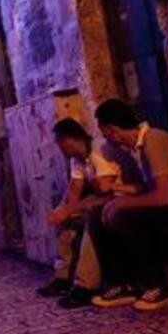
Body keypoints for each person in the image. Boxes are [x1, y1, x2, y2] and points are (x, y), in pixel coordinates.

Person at [88, 99, 168, 311]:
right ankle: (122, 284)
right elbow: (146, 188)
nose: (105, 138)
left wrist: (123, 204)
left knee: (123, 215)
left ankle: (157, 285)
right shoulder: (137, 148)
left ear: (112, 130)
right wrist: (115, 192)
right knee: (98, 213)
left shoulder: (153, 141)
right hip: (161, 207)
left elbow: (163, 196)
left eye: (104, 131)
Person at [37, 118, 132, 309]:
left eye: (62, 141)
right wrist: (62, 212)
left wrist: (68, 210)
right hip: (104, 201)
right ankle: (63, 277)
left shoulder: (98, 151)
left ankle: (85, 286)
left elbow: (105, 194)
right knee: (67, 221)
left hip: (121, 199)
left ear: (74, 138)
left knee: (91, 220)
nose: (60, 147)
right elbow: (74, 191)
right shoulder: (77, 160)